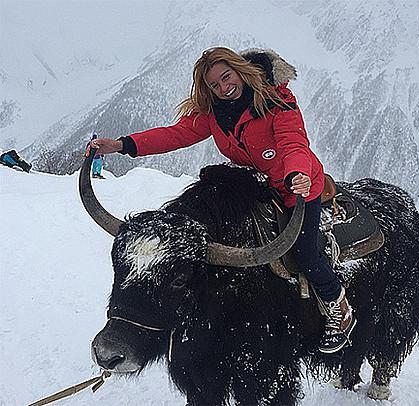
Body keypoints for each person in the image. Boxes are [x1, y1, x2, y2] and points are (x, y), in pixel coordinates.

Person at [89, 47, 356, 353]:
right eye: (214, 84)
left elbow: (293, 143)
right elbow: (175, 135)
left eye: (226, 77)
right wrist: (123, 145)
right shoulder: (215, 112)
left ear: (240, 71)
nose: (223, 87)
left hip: (298, 186)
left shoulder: (277, 101)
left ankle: (339, 308)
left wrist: (297, 174)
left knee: (305, 253)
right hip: (257, 186)